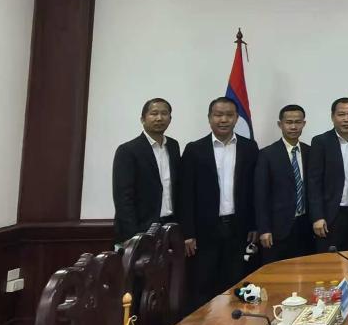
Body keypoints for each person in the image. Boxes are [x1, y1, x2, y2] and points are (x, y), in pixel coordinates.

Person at [179, 97, 258, 310]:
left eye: (229, 115)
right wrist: (188, 233)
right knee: (203, 285)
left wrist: (254, 224)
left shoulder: (249, 148)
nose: (223, 120)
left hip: (238, 228)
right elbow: (185, 194)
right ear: (209, 118)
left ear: (237, 118)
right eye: (218, 115)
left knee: (235, 283)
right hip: (204, 231)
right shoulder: (194, 150)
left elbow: (253, 190)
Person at [112, 97, 180, 246]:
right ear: (143, 119)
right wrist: (132, 235)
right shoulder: (128, 150)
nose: (159, 118)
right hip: (141, 228)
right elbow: (123, 198)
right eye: (154, 113)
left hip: (170, 226)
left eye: (164, 113)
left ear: (170, 119)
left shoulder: (173, 146)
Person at [307, 97, 348, 252]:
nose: (346, 119)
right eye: (341, 114)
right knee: (329, 262)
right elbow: (314, 182)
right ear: (332, 117)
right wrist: (317, 216)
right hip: (330, 216)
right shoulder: (320, 142)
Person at [254, 104, 313, 264]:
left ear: (304, 124)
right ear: (280, 124)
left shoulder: (310, 151)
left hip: (306, 226)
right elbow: (261, 195)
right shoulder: (267, 154)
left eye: (298, 122)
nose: (293, 127)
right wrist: (264, 229)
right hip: (277, 229)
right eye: (289, 122)